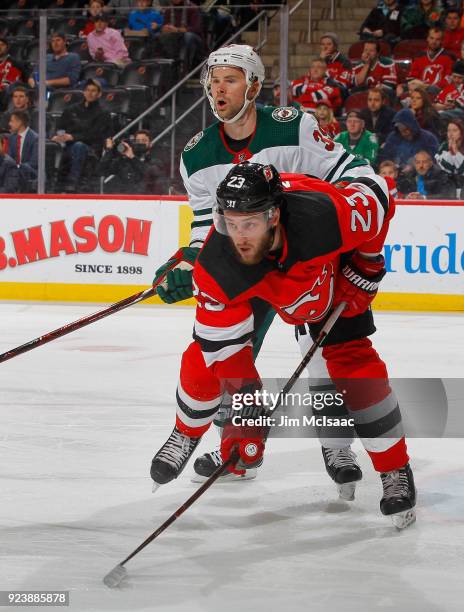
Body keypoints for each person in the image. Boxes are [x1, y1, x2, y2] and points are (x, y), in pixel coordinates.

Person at [151, 44, 394, 488]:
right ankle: (239, 452)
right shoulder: (196, 155)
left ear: (255, 86)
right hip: (246, 264)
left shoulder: (294, 127)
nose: (217, 88)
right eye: (213, 79)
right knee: (230, 356)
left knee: (322, 355)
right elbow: (206, 226)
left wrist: (347, 246)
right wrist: (186, 260)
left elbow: (348, 171)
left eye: (229, 79)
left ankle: (337, 448)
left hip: (306, 258)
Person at [150, 161, 417, 530]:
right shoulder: (217, 264)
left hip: (329, 275)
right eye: (231, 222)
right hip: (263, 283)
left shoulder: (322, 216)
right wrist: (249, 414)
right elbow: (224, 352)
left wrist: (366, 266)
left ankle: (394, 469)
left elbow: (379, 193)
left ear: (274, 215)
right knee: (203, 355)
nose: (239, 235)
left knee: (355, 364)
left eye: (250, 223)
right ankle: (186, 430)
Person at [51, 79, 112, 192]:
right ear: (83, 92)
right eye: (87, 90)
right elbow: (61, 127)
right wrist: (59, 137)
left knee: (78, 146)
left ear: (99, 94)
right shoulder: (71, 109)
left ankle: (73, 183)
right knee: (51, 146)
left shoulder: (103, 113)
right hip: (68, 145)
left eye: (93, 90)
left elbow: (96, 134)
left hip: (91, 148)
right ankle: (51, 183)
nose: (90, 93)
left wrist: (73, 137)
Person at [98, 128, 163, 194]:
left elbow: (150, 174)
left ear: (150, 144)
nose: (140, 143)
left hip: (146, 200)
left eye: (144, 140)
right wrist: (109, 151)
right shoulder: (124, 161)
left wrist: (132, 157)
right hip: (126, 199)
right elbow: (101, 171)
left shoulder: (156, 161)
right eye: (137, 141)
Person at [397, 27, 454, 98]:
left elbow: (448, 78)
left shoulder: (449, 57)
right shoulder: (419, 56)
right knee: (400, 88)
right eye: (432, 38)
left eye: (437, 39)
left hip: (439, 91)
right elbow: (412, 77)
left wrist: (429, 87)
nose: (434, 42)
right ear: (427, 38)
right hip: (420, 91)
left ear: (442, 41)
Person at [156, 0, 205, 73]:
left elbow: (196, 29)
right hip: (174, 38)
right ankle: (168, 66)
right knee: (159, 36)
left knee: (188, 36)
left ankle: (184, 67)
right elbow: (165, 25)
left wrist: (177, 30)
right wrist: (165, 28)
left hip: (193, 39)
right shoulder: (168, 10)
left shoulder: (192, 8)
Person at [7, 109, 37, 192]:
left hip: (31, 172)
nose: (9, 124)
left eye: (12, 121)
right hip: (15, 172)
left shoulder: (35, 138)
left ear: (20, 122)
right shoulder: (12, 138)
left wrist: (18, 167)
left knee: (22, 169)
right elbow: (9, 159)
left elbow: (34, 162)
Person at [435, 118, 464, 195]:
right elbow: (444, 167)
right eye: (449, 130)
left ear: (461, 133)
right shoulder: (443, 146)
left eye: (455, 130)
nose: (451, 133)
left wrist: (456, 153)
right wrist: (451, 153)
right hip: (448, 186)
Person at [0, 37, 24, 111]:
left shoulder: (14, 63)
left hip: (5, 94)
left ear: (7, 47)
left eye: (2, 45)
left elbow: (9, 82)